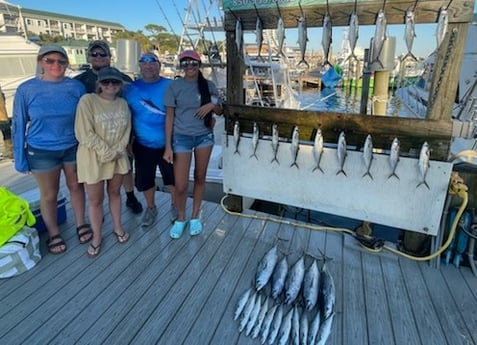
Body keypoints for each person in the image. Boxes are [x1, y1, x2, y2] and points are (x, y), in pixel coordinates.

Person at [12, 44, 91, 254]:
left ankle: (81, 223)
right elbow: (18, 124)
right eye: (50, 60)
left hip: (73, 147)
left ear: (66, 64)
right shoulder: (26, 89)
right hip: (41, 151)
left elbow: (85, 120)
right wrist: (19, 158)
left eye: (61, 61)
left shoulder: (76, 88)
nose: (56, 65)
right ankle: (54, 233)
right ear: (40, 63)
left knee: (76, 187)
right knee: (49, 194)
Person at [75, 40, 143, 214]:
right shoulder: (79, 81)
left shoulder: (125, 79)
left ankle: (130, 195)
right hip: (93, 135)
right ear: (89, 57)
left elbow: (133, 105)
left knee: (126, 166)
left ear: (109, 56)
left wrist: (129, 138)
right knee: (94, 178)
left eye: (102, 54)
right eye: (94, 54)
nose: (98, 57)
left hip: (120, 132)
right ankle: (96, 211)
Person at [163, 50, 223, 239]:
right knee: (180, 185)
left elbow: (221, 111)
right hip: (181, 138)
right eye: (185, 63)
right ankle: (181, 218)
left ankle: (195, 216)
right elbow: (169, 117)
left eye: (194, 63)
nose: (190, 66)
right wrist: (168, 146)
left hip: (204, 136)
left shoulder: (209, 85)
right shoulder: (175, 86)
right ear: (181, 66)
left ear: (199, 65)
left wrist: (212, 106)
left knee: (200, 177)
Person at [75, 67, 131, 257]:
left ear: (120, 85)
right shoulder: (87, 101)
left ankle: (117, 227)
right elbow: (83, 132)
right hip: (93, 157)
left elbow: (126, 132)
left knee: (115, 193)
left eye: (114, 82)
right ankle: (97, 236)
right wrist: (107, 152)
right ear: (99, 84)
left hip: (117, 155)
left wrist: (117, 151)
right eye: (106, 82)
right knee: (95, 200)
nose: (110, 85)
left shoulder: (123, 104)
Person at [124, 52, 176, 228]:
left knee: (173, 179)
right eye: (144, 63)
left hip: (169, 143)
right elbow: (126, 115)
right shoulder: (130, 88)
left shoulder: (170, 85)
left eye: (152, 63)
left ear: (159, 66)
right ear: (139, 66)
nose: (148, 66)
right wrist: (128, 140)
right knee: (145, 180)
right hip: (142, 144)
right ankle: (151, 207)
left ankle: (175, 206)